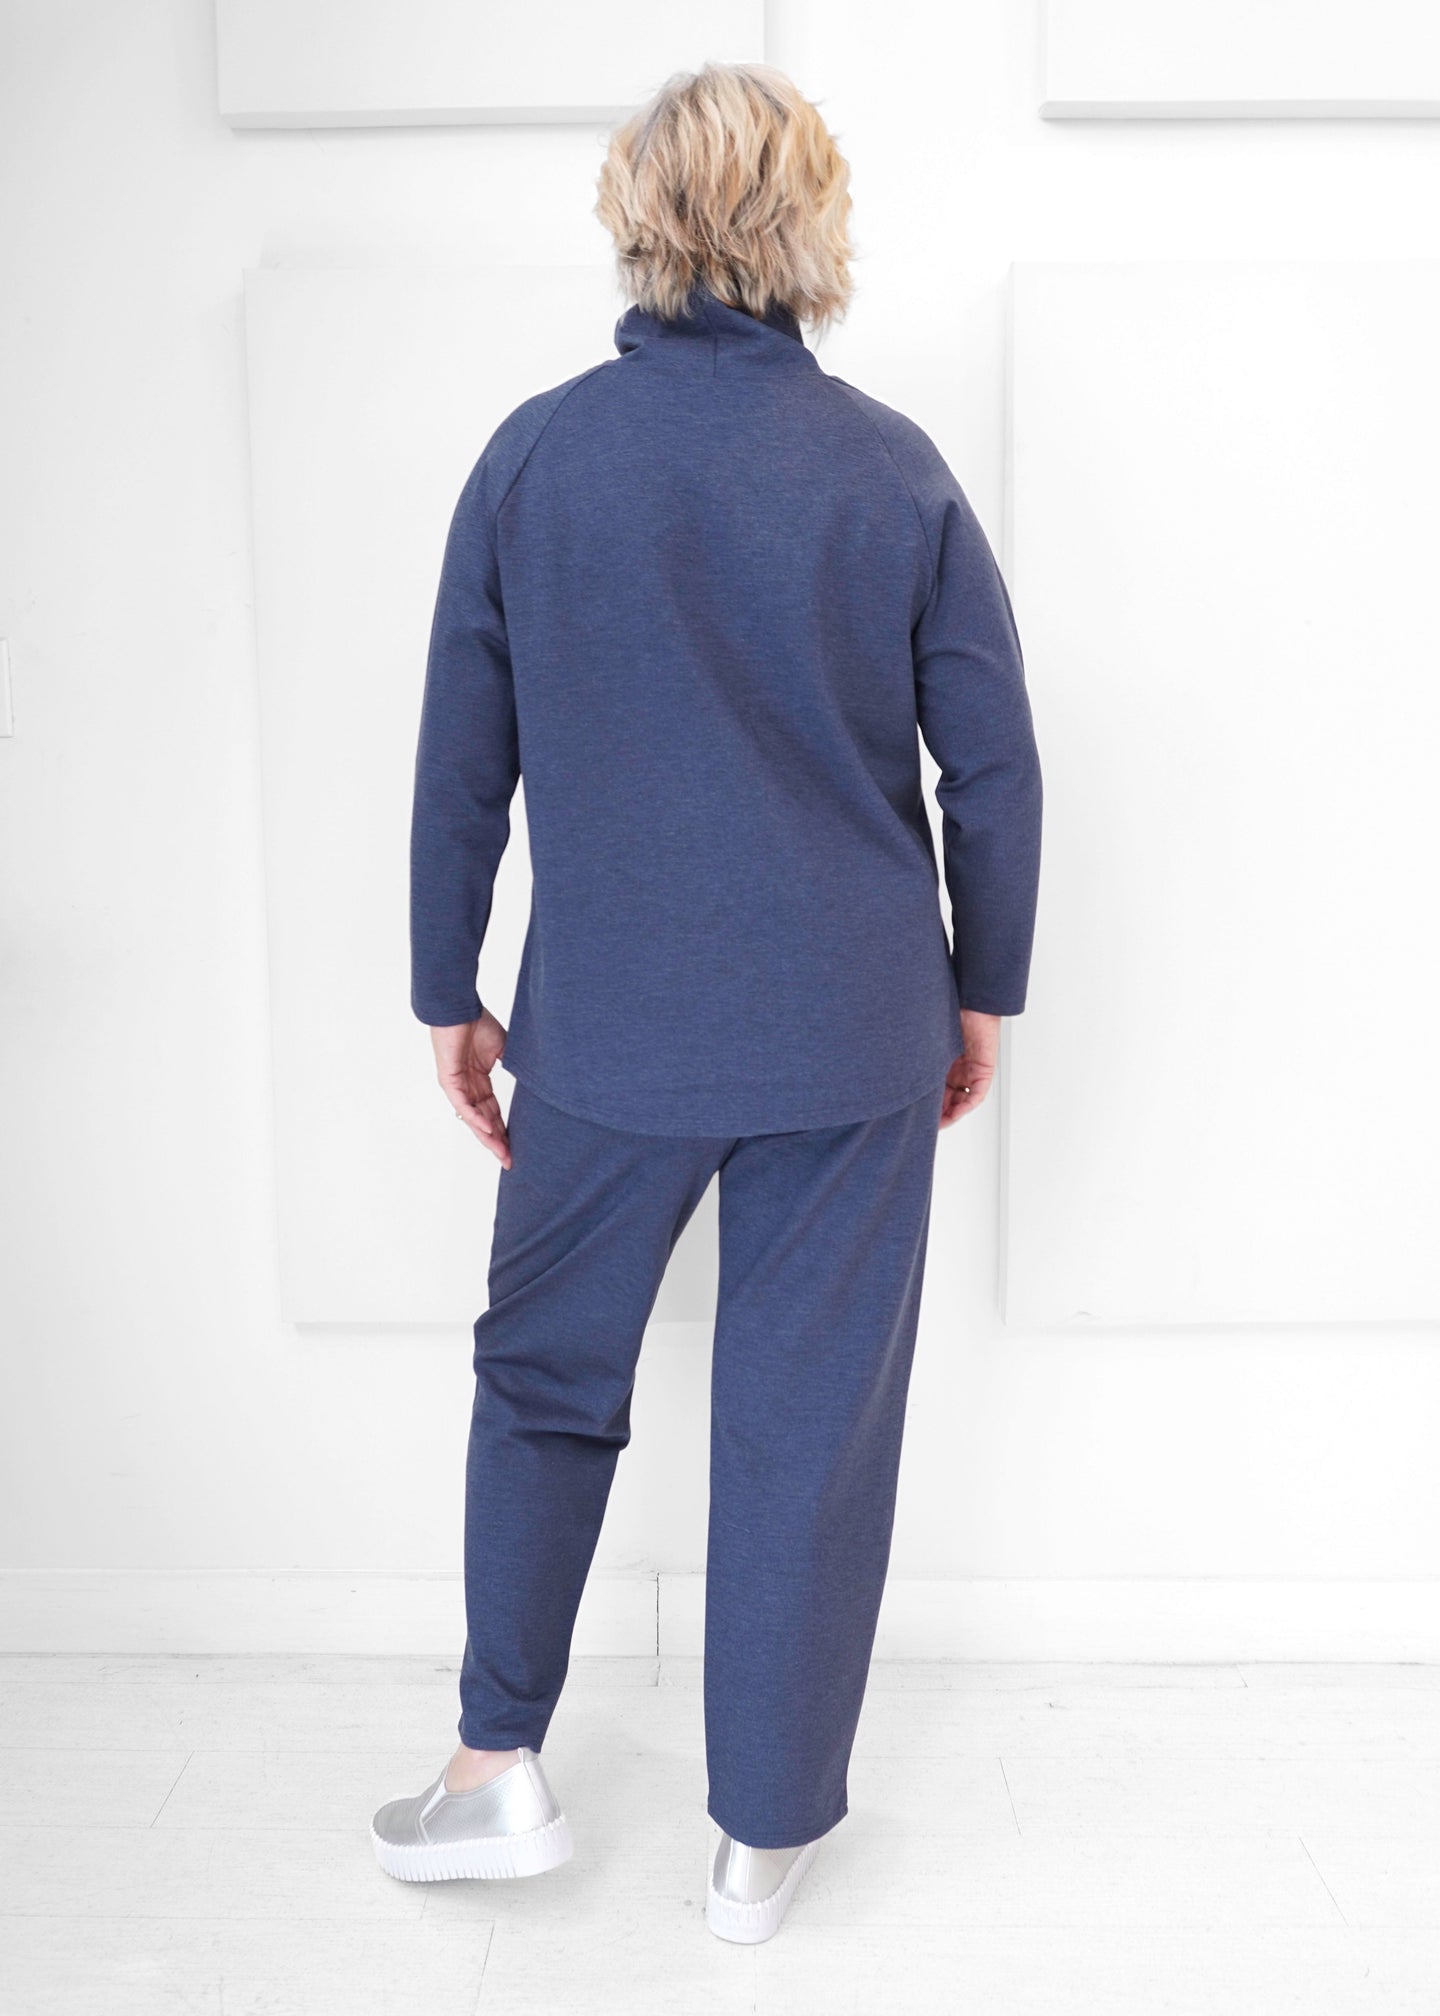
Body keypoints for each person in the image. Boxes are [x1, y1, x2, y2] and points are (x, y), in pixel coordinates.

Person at [371, 60, 1042, 1943]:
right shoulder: (893, 470)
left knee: (544, 1381)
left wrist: (448, 987)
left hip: (606, 1025)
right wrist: (982, 988)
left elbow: (462, 761)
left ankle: (495, 1770)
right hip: (853, 1022)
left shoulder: (535, 458)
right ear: (814, 227)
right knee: (804, 1425)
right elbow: (993, 770)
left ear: (634, 216)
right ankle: (762, 1842)